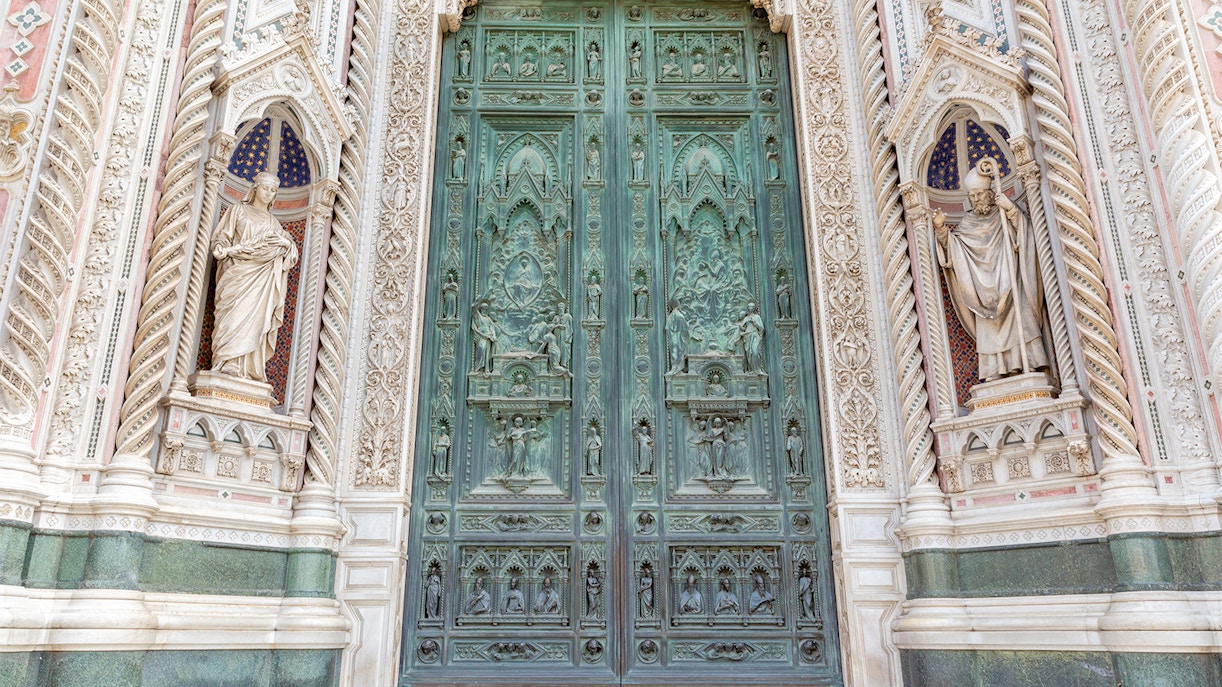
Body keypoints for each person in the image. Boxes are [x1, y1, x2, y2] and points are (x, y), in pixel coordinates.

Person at [932, 160, 1047, 381]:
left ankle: (1027, 364)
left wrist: (1011, 209)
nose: (976, 200)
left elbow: (1026, 235)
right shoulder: (967, 223)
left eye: (979, 195)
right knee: (989, 328)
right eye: (972, 196)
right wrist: (941, 229)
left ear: (989, 193)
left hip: (1011, 284)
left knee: (1021, 318)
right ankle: (995, 371)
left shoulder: (1002, 214)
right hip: (982, 291)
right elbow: (955, 251)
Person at [209, 171, 298, 382]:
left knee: (255, 320)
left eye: (273, 190)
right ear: (255, 188)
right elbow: (222, 236)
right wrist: (221, 247)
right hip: (237, 276)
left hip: (262, 281)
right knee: (233, 317)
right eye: (266, 188)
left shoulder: (273, 223)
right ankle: (227, 362)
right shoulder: (237, 210)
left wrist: (287, 245)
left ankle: (248, 367)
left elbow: (289, 252)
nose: (269, 193)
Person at [471, 299, 497, 372]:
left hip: (488, 336)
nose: (485, 310)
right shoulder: (479, 316)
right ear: (481, 309)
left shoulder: (488, 318)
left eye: (486, 309)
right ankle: (478, 368)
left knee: (487, 353)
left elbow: (491, 327)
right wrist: (476, 302)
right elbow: (474, 310)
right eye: (483, 308)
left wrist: (493, 335)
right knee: (481, 351)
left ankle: (487, 369)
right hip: (481, 336)